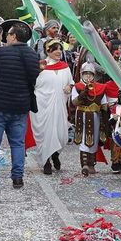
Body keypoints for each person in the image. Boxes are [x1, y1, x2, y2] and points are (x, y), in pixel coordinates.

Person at [0, 20, 40, 190]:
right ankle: (18, 178)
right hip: (21, 105)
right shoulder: (33, 55)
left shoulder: (1, 53)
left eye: (8, 34)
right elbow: (34, 78)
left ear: (14, 36)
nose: (6, 36)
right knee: (18, 143)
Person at [31, 41, 75, 175]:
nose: (58, 52)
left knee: (61, 134)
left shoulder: (65, 67)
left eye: (60, 49)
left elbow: (71, 82)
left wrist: (69, 87)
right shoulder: (41, 66)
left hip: (60, 105)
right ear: (48, 51)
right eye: (55, 49)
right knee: (46, 133)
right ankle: (46, 161)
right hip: (43, 105)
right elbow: (32, 83)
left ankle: (55, 153)